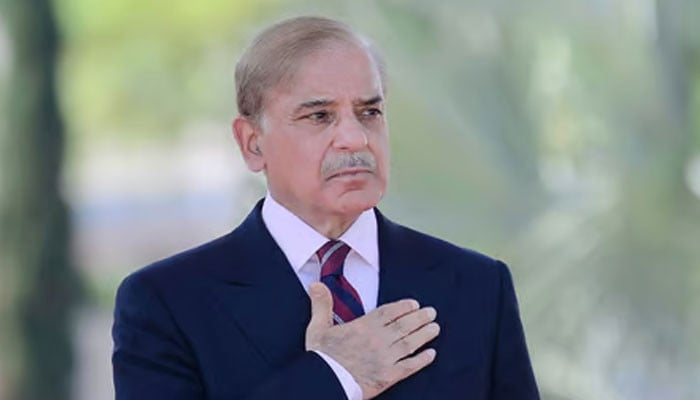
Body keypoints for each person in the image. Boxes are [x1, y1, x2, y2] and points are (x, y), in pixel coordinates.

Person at [112, 16, 539, 400]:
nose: (355, 139)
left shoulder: (478, 285)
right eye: (319, 116)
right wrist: (334, 377)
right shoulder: (167, 303)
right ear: (252, 143)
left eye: (369, 112)